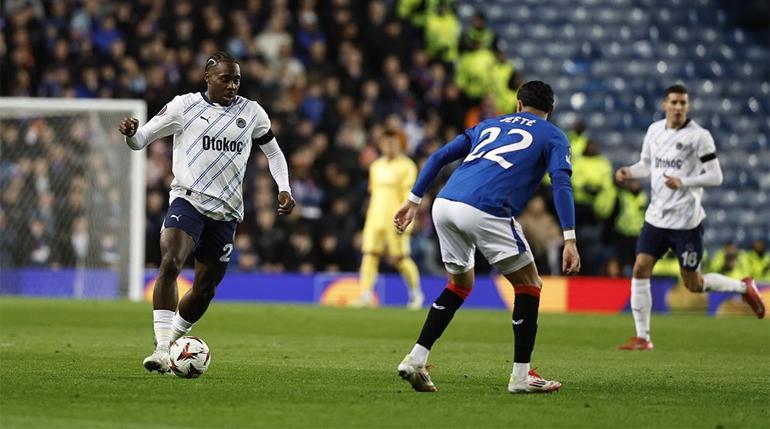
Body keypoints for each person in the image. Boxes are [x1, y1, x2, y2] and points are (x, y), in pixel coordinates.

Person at [393, 81, 580, 393]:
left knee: (459, 284)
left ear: (519, 104)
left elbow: (439, 156)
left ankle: (415, 358)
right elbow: (561, 183)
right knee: (529, 285)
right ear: (551, 109)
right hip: (485, 208)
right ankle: (521, 376)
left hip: (445, 203)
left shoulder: (489, 124)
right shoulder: (554, 136)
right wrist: (570, 238)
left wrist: (413, 200)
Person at [118, 51, 295, 373]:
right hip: (188, 200)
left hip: (226, 212)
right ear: (208, 77)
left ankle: (173, 343)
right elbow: (141, 140)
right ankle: (160, 349)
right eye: (225, 79)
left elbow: (274, 152)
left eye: (237, 80)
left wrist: (284, 187)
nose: (232, 85)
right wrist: (131, 133)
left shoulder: (252, 112)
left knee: (204, 289)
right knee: (171, 260)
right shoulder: (183, 106)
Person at [614, 84, 765, 351]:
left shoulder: (700, 136)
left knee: (693, 284)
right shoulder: (654, 130)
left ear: (688, 106)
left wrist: (683, 181)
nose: (678, 107)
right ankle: (643, 337)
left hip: (686, 223)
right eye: (674, 102)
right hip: (656, 218)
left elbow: (716, 176)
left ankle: (743, 287)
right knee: (640, 269)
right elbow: (647, 165)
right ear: (665, 105)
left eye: (683, 103)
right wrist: (629, 171)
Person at [355, 129, 424, 309]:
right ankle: (366, 294)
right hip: (375, 217)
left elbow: (409, 195)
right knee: (369, 255)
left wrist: (408, 220)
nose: (390, 145)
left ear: (400, 143)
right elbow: (373, 193)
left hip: (396, 218)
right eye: (386, 142)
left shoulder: (407, 166)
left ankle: (416, 293)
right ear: (381, 144)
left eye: (393, 142)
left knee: (400, 258)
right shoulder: (376, 166)